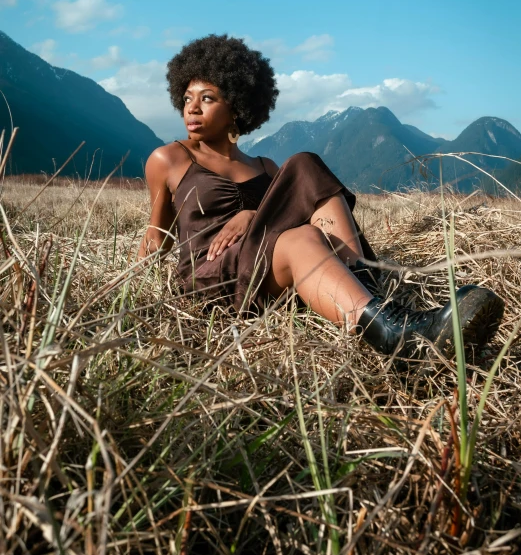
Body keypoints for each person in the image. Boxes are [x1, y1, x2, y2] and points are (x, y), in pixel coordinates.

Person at [139, 34, 504, 361]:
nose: (192, 108)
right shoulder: (169, 158)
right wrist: (142, 300)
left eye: (208, 98)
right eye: (187, 98)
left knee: (303, 165)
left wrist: (252, 214)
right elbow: (157, 237)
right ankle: (393, 331)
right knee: (300, 229)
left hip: (263, 268)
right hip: (213, 278)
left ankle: (376, 302)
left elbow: (286, 221)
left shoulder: (264, 165)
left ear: (236, 106)